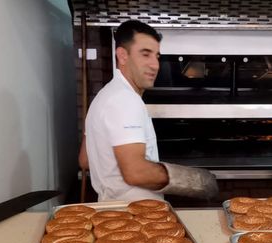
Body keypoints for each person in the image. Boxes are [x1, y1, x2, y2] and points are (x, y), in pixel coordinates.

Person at [85, 20, 217, 201]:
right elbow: (136, 173)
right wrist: (197, 181)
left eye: (157, 56)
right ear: (122, 55)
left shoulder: (104, 95)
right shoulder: (125, 99)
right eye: (145, 54)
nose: (155, 65)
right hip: (135, 214)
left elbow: (84, 159)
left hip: (113, 209)